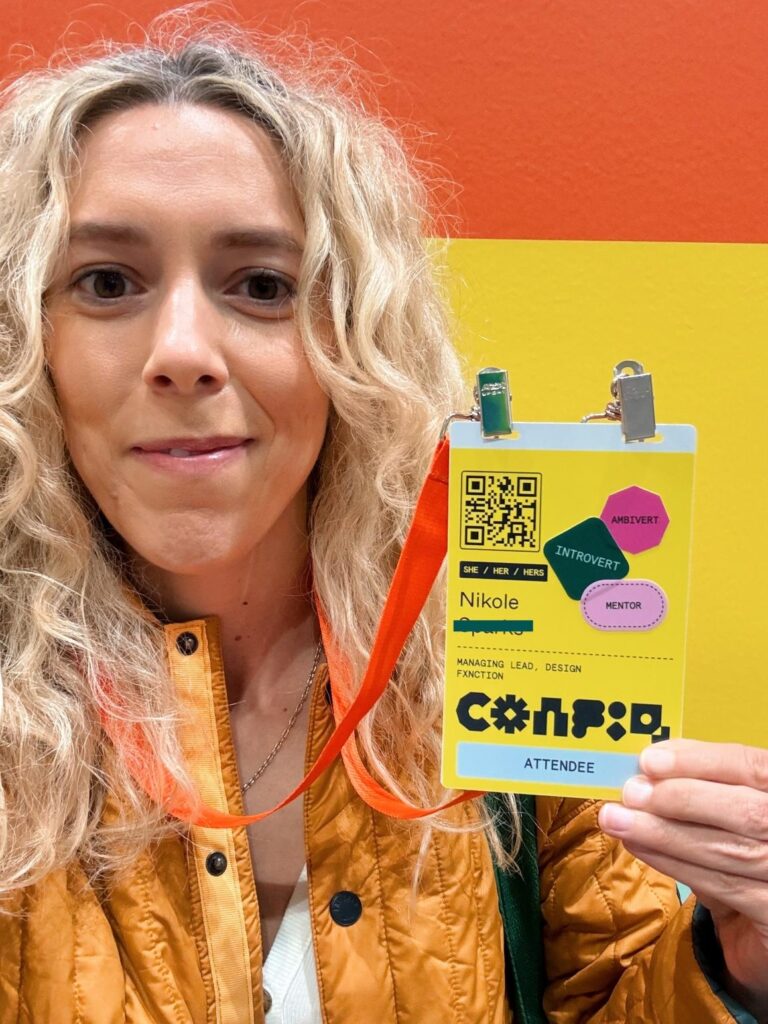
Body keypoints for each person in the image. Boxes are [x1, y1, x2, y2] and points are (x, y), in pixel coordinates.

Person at [0, 11, 766, 1023]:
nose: (182, 351)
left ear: (356, 337)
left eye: (262, 285)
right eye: (106, 282)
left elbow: (610, 999)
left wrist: (737, 966)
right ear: (25, 334)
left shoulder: (499, 661)